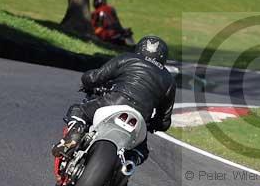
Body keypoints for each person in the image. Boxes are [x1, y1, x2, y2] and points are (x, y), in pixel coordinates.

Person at [52, 35, 176, 169]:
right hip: (141, 116)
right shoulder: (169, 80)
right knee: (141, 151)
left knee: (79, 110)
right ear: (163, 57)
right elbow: (164, 121)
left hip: (114, 101)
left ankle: (76, 130)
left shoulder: (127, 58)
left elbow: (95, 77)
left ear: (140, 48)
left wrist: (86, 81)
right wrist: (152, 124)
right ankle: (128, 166)